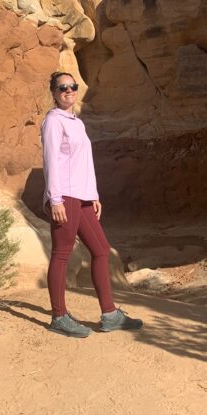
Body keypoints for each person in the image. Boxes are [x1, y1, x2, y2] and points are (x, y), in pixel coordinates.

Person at [41, 70, 143, 338]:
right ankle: (59, 317)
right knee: (61, 254)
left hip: (83, 196)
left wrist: (94, 194)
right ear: (53, 92)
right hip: (65, 196)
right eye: (62, 88)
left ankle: (109, 315)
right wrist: (55, 199)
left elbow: (84, 163)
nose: (68, 91)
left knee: (101, 250)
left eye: (72, 86)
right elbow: (51, 161)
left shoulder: (76, 122)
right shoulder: (54, 121)